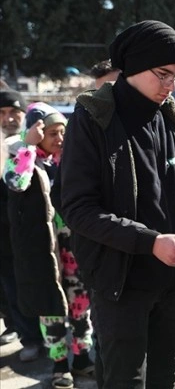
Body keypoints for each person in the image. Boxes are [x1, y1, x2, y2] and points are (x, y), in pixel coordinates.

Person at [57, 20, 175, 388]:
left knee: (167, 375)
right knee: (124, 378)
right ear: (133, 67)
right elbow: (78, 207)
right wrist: (151, 242)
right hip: (122, 282)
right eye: (163, 75)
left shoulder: (173, 120)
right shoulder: (93, 119)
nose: (170, 87)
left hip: (173, 280)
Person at [4, 102, 95, 389]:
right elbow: (17, 182)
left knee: (81, 309)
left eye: (62, 132)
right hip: (44, 251)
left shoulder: (71, 161)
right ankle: (59, 365)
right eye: (52, 133)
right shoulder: (23, 158)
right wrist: (27, 147)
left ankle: (82, 360)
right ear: (37, 134)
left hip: (75, 250)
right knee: (52, 310)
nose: (59, 139)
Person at [0, 90, 45, 361]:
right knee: (11, 287)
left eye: (13, 112)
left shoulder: (32, 143)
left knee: (37, 283)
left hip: (32, 230)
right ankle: (28, 336)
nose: (8, 118)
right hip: (3, 233)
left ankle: (52, 341)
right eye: (2, 114)